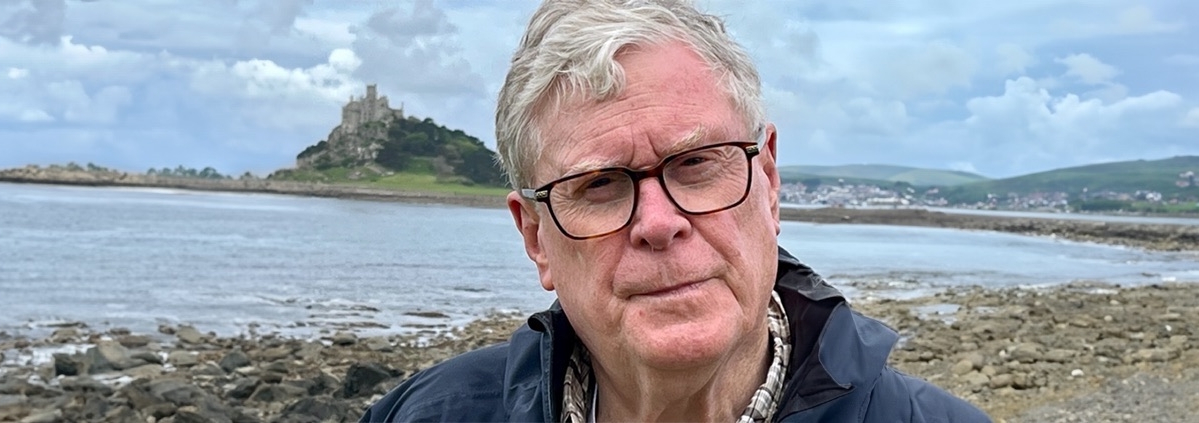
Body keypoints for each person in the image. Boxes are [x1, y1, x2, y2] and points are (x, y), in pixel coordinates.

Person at [363, 0, 990, 421]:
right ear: (535, 237)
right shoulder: (428, 412)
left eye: (696, 164)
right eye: (599, 184)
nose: (659, 224)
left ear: (768, 182)